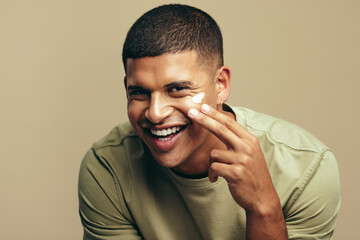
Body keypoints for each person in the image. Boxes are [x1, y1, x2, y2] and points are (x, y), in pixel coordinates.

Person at [78, 4, 340, 240]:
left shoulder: (307, 168)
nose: (155, 114)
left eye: (177, 88)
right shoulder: (107, 168)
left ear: (221, 84)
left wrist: (264, 207)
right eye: (139, 92)